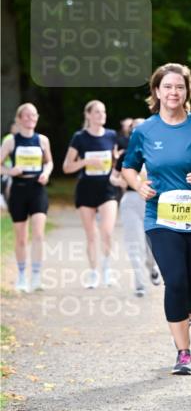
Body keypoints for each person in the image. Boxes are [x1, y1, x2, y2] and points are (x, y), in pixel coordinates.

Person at [122, 64, 191, 375]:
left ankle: (181, 316)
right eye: (167, 87)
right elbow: (128, 167)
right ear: (157, 91)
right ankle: (184, 352)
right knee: (175, 281)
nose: (173, 92)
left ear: (187, 92)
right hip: (161, 219)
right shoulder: (145, 131)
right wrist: (138, 184)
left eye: (179, 87)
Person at [62, 100, 118, 288]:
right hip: (86, 190)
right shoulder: (79, 137)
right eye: (97, 112)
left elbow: (115, 163)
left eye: (103, 111)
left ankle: (107, 270)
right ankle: (94, 272)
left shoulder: (111, 135)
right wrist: (85, 161)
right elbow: (67, 167)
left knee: (107, 232)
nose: (101, 115)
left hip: (107, 189)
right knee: (91, 235)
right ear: (88, 115)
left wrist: (117, 167)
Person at [0, 103, 53, 292]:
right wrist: (9, 170)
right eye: (27, 115)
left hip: (37, 188)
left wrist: (46, 173)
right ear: (20, 118)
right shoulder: (11, 141)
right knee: (21, 237)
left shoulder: (43, 140)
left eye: (34, 115)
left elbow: (49, 162)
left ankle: (37, 276)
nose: (31, 118)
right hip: (19, 190)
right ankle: (22, 275)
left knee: (38, 234)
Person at [110, 118, 161, 297]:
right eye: (134, 128)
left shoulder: (157, 152)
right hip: (130, 201)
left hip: (153, 202)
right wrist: (122, 182)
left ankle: (153, 266)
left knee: (152, 245)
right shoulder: (126, 155)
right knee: (135, 244)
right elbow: (113, 177)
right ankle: (139, 284)